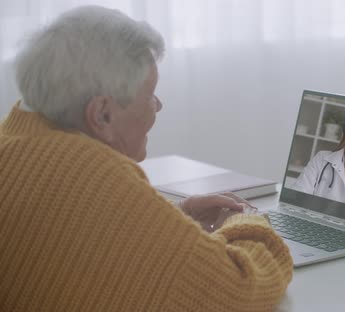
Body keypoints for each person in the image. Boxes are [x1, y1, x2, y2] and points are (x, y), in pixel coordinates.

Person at [0, 6, 292, 311]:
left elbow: (81, 233)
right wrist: (246, 221)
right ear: (102, 114)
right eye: (150, 95)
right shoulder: (94, 175)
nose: (159, 105)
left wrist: (170, 216)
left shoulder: (13, 140)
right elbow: (240, 291)